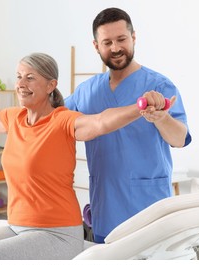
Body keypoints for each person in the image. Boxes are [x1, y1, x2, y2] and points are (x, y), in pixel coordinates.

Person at [0, 52, 168, 259]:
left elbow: (102, 122)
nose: (21, 83)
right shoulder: (14, 119)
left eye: (30, 78)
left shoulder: (62, 121)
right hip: (17, 226)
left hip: (57, 233)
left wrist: (140, 107)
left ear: (51, 85)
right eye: (19, 76)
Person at [65, 7, 192, 243]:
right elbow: (55, 122)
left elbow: (179, 138)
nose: (115, 48)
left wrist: (162, 118)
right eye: (107, 42)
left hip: (148, 207)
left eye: (121, 39)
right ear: (96, 46)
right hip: (106, 208)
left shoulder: (159, 85)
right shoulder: (86, 91)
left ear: (133, 37)